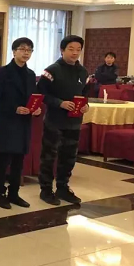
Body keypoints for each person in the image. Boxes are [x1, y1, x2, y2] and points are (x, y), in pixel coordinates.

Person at [38, 35, 89, 206]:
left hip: (74, 122)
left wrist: (85, 105)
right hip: (54, 121)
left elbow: (85, 94)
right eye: (71, 49)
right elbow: (42, 94)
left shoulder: (83, 72)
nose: (75, 53)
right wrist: (59, 103)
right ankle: (46, 189)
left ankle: (63, 187)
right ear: (62, 50)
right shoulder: (52, 70)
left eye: (78, 50)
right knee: (49, 156)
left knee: (69, 156)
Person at [0, 37, 41, 210]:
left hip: (24, 122)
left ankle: (14, 193)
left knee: (19, 161)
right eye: (22, 49)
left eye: (29, 50)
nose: (26, 53)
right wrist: (14, 109)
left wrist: (35, 109)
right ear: (14, 51)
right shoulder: (2, 72)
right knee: (3, 160)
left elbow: (33, 97)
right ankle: (0, 193)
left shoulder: (31, 74)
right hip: (7, 121)